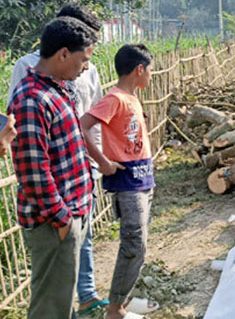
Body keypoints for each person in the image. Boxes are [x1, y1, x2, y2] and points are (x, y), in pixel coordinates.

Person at [7, 4, 108, 314]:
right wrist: (62, 218)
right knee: (51, 306)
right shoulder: (31, 100)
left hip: (71, 209)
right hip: (54, 220)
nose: (84, 68)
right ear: (63, 54)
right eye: (83, 60)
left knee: (61, 300)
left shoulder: (59, 90)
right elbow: (33, 170)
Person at [81, 44, 158, 319]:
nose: (151, 75)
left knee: (139, 245)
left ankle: (120, 303)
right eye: (150, 70)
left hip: (142, 179)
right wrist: (102, 162)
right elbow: (83, 125)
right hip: (127, 183)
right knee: (134, 245)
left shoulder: (132, 98)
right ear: (139, 70)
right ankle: (115, 309)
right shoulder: (115, 98)